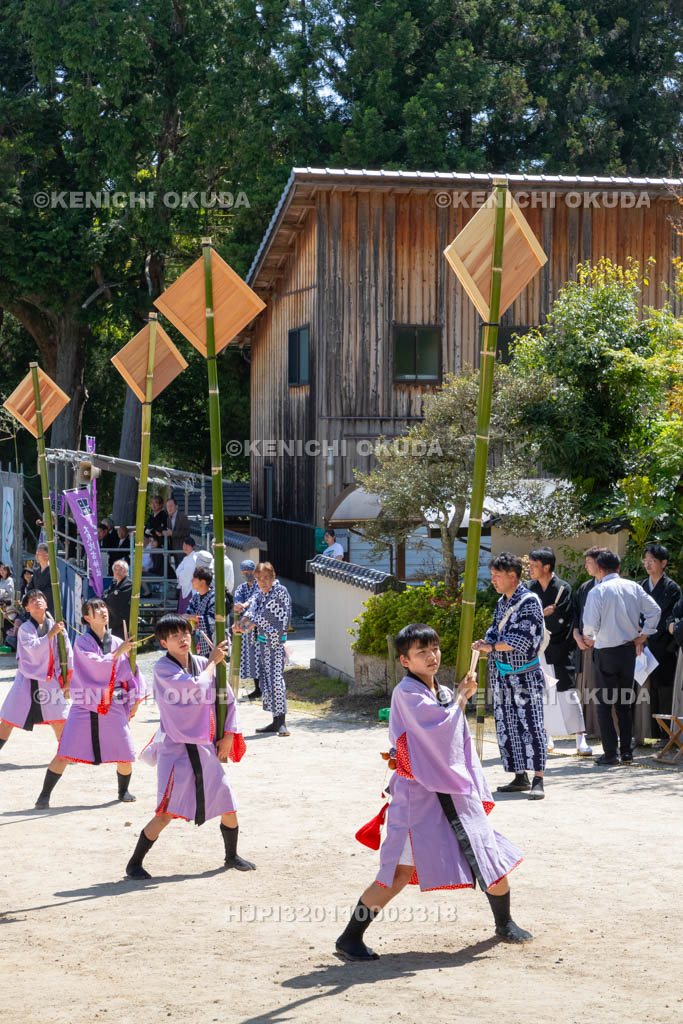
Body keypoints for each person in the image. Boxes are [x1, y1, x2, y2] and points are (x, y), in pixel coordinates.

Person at [335, 622, 531, 962]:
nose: (432, 656)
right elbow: (439, 732)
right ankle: (350, 936)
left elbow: (449, 732)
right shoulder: (406, 694)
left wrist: (457, 697)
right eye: (421, 652)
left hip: (453, 792)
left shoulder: (438, 690)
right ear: (405, 661)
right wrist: (460, 697)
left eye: (434, 649)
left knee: (487, 851)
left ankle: (505, 921)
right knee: (397, 873)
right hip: (419, 797)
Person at [125, 614, 254, 879]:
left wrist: (228, 733)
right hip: (178, 750)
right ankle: (134, 863)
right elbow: (195, 688)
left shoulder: (200, 663)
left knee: (227, 801)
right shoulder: (163, 669)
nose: (182, 639)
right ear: (163, 642)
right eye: (174, 636)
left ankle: (231, 855)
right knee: (167, 812)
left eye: (185, 633)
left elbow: (227, 700)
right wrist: (212, 664)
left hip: (205, 748)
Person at [472, 552, 547, 800]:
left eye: (496, 576)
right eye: (492, 576)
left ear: (512, 576)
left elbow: (523, 641)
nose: (492, 580)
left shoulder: (529, 601)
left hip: (525, 676)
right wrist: (486, 642)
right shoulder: (502, 602)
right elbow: (496, 630)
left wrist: (491, 647)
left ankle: (538, 778)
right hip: (502, 676)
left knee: (531, 724)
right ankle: (519, 775)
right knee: (508, 724)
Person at [57, 598, 148, 801]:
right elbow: (95, 665)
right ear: (88, 618)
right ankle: (44, 795)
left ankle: (123, 791)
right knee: (65, 750)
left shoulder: (117, 642)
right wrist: (118, 653)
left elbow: (131, 673)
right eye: (96, 609)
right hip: (85, 702)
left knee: (124, 749)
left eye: (103, 607)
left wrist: (136, 700)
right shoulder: (82, 642)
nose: (102, 611)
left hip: (114, 700)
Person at [582, 550, 661, 765]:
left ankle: (610, 754)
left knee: (604, 705)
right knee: (625, 703)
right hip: (628, 649)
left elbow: (589, 626)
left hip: (606, 650)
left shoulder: (597, 591)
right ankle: (626, 752)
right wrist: (643, 635)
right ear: (618, 568)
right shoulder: (634, 587)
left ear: (599, 569)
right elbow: (655, 610)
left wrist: (591, 637)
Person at [0, 590, 73, 808]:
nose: (37, 601)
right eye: (32, 600)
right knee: (7, 722)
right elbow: (32, 650)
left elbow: (66, 652)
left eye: (40, 598)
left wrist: (68, 677)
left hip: (50, 682)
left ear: (47, 603)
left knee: (61, 723)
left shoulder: (56, 625)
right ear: (28, 608)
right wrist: (51, 634)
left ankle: (70, 754)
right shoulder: (26, 628)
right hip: (27, 682)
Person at [527, 547, 591, 756]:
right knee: (541, 695)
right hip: (536, 650)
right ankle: (547, 738)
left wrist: (542, 618)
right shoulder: (529, 588)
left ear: (546, 567)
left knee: (567, 694)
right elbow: (525, 618)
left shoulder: (563, 588)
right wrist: (543, 614)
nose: (530, 569)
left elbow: (560, 621)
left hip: (559, 648)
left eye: (534, 566)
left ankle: (580, 738)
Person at [233, 562, 291, 737]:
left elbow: (265, 614)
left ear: (273, 577)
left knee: (276, 680)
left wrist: (246, 626)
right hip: (262, 643)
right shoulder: (259, 592)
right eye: (259, 578)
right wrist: (241, 620)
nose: (263, 581)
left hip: (275, 643)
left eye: (266, 578)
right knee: (267, 681)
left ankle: (282, 722)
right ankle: (275, 720)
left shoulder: (280, 592)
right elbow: (253, 607)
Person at [638, 543, 681, 741]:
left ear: (663, 563)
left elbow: (670, 617)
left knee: (664, 689)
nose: (647, 564)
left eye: (652, 561)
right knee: (646, 690)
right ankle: (649, 733)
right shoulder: (640, 586)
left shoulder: (672, 588)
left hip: (663, 646)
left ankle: (666, 734)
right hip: (642, 645)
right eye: (645, 560)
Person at [572, 547, 607, 738]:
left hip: (606, 644)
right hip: (584, 644)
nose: (586, 565)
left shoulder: (612, 587)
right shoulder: (585, 587)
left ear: (600, 564)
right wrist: (577, 636)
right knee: (586, 685)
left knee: (605, 687)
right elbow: (575, 615)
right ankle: (586, 728)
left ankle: (606, 730)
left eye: (589, 562)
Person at [233, 560, 261, 701]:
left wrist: (244, 605)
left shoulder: (260, 585)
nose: (246, 575)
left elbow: (255, 601)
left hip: (259, 627)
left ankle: (265, 689)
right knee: (251, 659)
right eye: (244, 572)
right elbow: (237, 600)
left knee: (261, 658)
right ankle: (257, 689)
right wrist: (238, 606)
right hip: (246, 629)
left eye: (248, 572)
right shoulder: (241, 588)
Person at [187, 565, 216, 657]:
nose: (191, 581)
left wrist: (191, 617)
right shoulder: (196, 596)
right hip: (197, 638)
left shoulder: (214, 596)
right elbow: (189, 611)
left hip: (212, 638)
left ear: (202, 582)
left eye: (194, 578)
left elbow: (212, 619)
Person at [103, 560, 133, 638]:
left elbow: (113, 600)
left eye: (120, 569)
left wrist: (108, 596)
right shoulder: (114, 583)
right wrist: (109, 596)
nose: (117, 571)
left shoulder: (129, 584)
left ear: (126, 571)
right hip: (113, 620)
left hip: (123, 622)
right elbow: (104, 597)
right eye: (115, 569)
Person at [162, 497, 191, 570]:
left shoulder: (182, 516)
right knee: (177, 568)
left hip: (182, 547)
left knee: (182, 568)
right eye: (167, 506)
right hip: (174, 547)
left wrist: (173, 533)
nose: (169, 508)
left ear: (176, 506)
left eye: (171, 506)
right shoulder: (168, 518)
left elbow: (187, 532)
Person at [174, 536, 199, 614]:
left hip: (191, 588)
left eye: (187, 545)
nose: (185, 547)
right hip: (185, 586)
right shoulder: (186, 558)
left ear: (193, 547)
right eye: (184, 545)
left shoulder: (194, 558)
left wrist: (181, 574)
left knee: (188, 611)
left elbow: (188, 573)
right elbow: (178, 571)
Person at [30, 544, 54, 616]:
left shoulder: (53, 571)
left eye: (39, 554)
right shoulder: (36, 571)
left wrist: (36, 595)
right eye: (36, 554)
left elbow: (51, 591)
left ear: (47, 555)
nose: (36, 556)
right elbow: (30, 587)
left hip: (47, 608)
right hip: (35, 607)